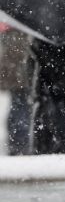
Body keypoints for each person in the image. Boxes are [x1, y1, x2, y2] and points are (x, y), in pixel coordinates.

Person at [0, 27, 32, 155]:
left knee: (19, 104)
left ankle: (18, 144)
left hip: (16, 70)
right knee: (21, 105)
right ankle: (21, 145)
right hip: (20, 71)